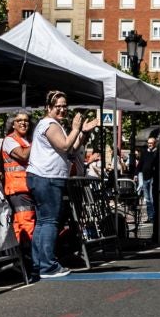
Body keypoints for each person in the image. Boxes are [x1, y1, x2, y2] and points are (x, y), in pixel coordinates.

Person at [29, 91, 92, 278]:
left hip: (45, 177)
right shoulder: (49, 124)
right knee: (49, 222)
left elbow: (71, 150)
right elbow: (64, 146)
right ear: (49, 108)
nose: (63, 109)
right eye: (58, 106)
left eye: (65, 106)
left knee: (43, 222)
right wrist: (75, 127)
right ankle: (47, 265)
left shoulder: (54, 124)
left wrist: (82, 132)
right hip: (46, 177)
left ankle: (39, 264)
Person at [1, 111, 37, 273]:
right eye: (19, 121)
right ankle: (26, 261)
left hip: (28, 188)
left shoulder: (26, 140)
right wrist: (36, 141)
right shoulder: (10, 140)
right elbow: (22, 156)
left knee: (22, 225)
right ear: (13, 124)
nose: (23, 123)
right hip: (18, 188)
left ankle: (19, 261)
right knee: (25, 225)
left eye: (26, 121)